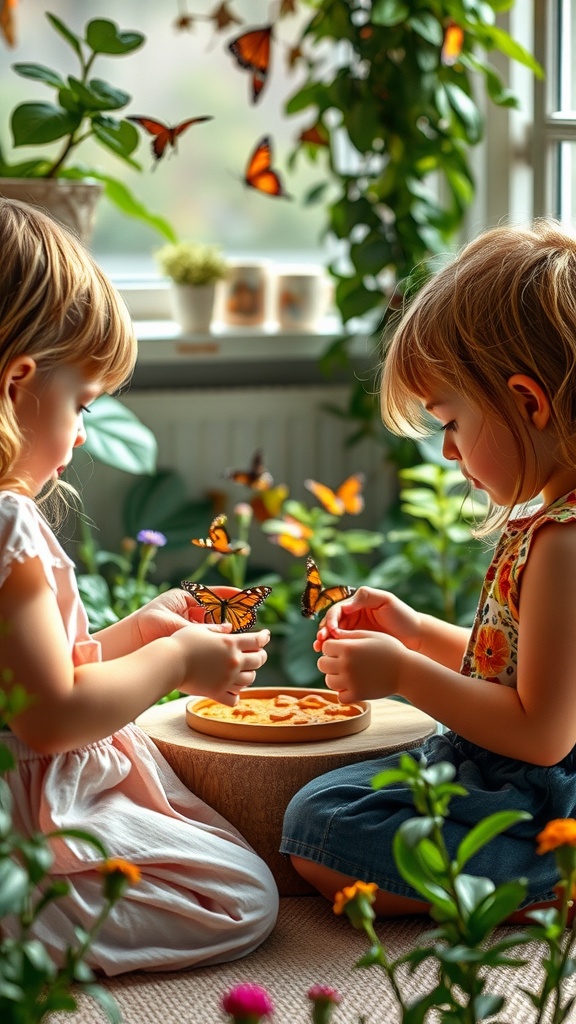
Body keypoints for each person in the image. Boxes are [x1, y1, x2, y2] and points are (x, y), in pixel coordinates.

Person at [0, 198, 278, 975]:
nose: (83, 431)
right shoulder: (8, 528)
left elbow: (25, 676)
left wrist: (136, 634)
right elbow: (50, 716)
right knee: (238, 893)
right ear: (19, 383)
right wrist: (176, 665)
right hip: (26, 817)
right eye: (80, 403)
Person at [281, 220, 576, 921]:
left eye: (449, 422)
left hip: (540, 791)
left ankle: (549, 880)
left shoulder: (563, 546)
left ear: (528, 402)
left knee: (324, 829)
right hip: (513, 767)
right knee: (324, 811)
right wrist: (413, 633)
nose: (447, 452)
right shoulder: (549, 526)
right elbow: (509, 672)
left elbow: (542, 733)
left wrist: (407, 677)